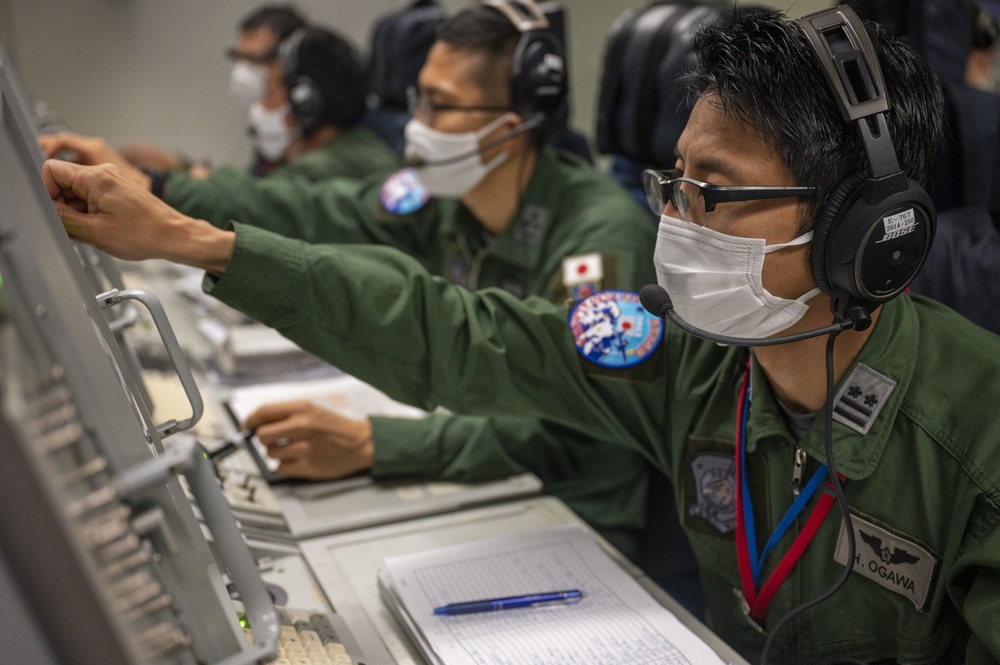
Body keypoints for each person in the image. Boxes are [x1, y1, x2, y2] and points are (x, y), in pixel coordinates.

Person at [47, 5, 1000, 664]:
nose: (676, 227)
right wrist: (193, 237)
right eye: (675, 188)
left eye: (717, 195)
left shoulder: (978, 436)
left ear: (862, 234)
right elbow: (462, 333)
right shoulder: (696, 359)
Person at [43, 2, 666, 575]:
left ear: (512, 124)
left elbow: (575, 432)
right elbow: (317, 212)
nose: (416, 126)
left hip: (581, 525)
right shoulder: (445, 195)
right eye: (416, 101)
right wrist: (160, 190)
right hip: (490, 475)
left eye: (439, 106)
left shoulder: (599, 234)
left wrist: (377, 443)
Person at [41, 13, 398, 189]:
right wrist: (173, 167)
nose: (246, 75)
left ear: (304, 99)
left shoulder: (345, 161)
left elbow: (259, 205)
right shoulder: (288, 149)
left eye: (259, 65)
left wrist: (152, 180)